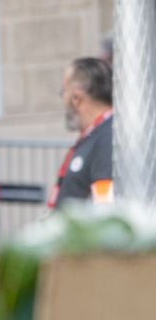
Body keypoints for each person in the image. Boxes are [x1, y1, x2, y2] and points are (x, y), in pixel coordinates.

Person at [51, 56, 114, 209]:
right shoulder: (95, 136)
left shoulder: (108, 137)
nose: (63, 99)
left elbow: (105, 206)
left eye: (63, 92)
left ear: (76, 98)